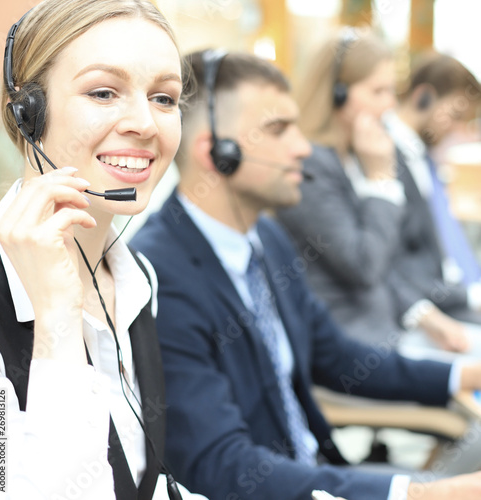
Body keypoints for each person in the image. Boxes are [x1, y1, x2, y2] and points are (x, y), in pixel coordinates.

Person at [131, 48, 481, 500]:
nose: (303, 147)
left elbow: (336, 356)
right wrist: (423, 494)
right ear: (217, 152)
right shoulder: (161, 275)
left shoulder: (268, 241)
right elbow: (225, 467)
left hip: (314, 473)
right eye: (279, 129)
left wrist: (465, 376)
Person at [0, 1, 205, 499]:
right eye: (103, 92)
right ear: (27, 114)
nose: (145, 123)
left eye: (164, 98)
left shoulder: (136, 279)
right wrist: (57, 321)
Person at [276, 27, 469, 353]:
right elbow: (364, 265)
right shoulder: (309, 166)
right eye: (379, 92)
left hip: (390, 329)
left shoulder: (352, 156)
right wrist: (380, 179)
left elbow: (387, 267)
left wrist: (424, 315)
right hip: (352, 347)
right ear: (337, 94)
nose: (390, 105)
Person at [385, 52, 481, 356]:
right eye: (454, 116)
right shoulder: (384, 156)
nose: (456, 131)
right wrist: (468, 297)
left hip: (451, 299)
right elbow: (391, 264)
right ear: (423, 97)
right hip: (422, 313)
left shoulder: (423, 159)